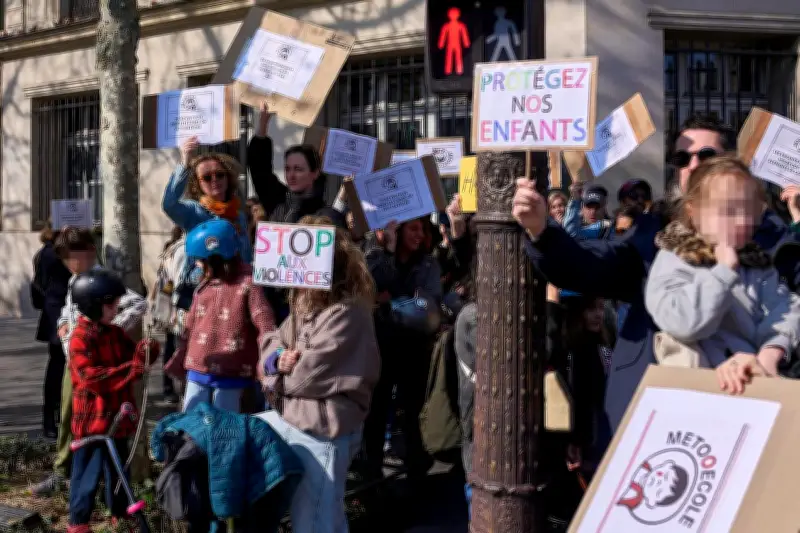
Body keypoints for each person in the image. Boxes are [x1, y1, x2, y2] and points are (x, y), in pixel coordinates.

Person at [511, 116, 800, 440]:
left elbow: (789, 308)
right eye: (682, 158)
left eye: (705, 157)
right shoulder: (654, 233)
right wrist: (540, 229)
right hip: (656, 415)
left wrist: (769, 355)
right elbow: (591, 266)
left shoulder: (766, 238)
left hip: (750, 411)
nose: (693, 165)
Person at [258, 215, 379, 533]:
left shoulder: (348, 313)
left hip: (325, 432)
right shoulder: (303, 304)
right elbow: (269, 345)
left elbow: (303, 377)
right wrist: (275, 362)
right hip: (295, 420)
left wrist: (279, 370)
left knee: (315, 521)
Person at [645, 156, 800, 393]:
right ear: (694, 212)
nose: (742, 221)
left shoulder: (756, 263)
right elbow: (684, 324)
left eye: (750, 210)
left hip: (754, 382)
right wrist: (723, 272)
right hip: (699, 392)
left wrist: (771, 352)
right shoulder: (675, 258)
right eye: (728, 211)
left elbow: (787, 308)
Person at [32, 227, 147, 496]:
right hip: (74, 358)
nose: (67, 264)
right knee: (67, 413)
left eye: (70, 257)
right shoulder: (76, 280)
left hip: (93, 362)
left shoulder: (100, 279)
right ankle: (64, 470)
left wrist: (108, 328)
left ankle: (78, 475)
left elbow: (138, 304)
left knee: (87, 418)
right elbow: (67, 310)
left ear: (86, 252)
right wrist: (62, 325)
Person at [66, 269, 159, 533]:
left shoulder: (114, 332)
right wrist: (130, 369)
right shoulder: (80, 338)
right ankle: (78, 522)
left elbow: (134, 358)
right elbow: (89, 377)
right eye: (111, 305)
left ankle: (119, 513)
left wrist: (146, 350)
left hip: (117, 420)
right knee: (87, 476)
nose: (116, 309)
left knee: (119, 473)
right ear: (92, 305)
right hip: (93, 424)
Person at [363, 217, 442, 490]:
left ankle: (416, 476)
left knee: (412, 412)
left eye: (423, 229)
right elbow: (371, 283)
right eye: (413, 229)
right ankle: (371, 475)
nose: (419, 235)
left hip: (414, 350)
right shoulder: (380, 256)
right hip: (382, 347)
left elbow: (427, 309)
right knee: (376, 411)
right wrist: (387, 249)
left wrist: (391, 302)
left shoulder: (428, 264)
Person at [246, 101, 345, 322]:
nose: (291, 175)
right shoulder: (277, 201)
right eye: (288, 169)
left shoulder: (327, 216)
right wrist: (263, 126)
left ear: (315, 173)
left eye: (299, 169)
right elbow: (259, 168)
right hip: (273, 304)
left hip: (312, 310)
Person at [164, 219, 276, 413]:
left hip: (233, 374)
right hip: (197, 370)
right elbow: (190, 329)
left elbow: (265, 323)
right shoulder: (203, 286)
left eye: (201, 261)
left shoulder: (248, 283)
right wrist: (179, 359)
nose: (198, 266)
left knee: (226, 431)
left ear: (216, 259)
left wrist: (268, 359)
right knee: (193, 427)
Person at [162, 138, 251, 263]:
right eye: (207, 177)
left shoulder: (239, 215)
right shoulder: (193, 211)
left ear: (228, 178)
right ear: (198, 184)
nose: (215, 180)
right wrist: (185, 163)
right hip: (201, 279)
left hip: (234, 279)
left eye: (220, 174)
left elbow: (246, 256)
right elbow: (169, 205)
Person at [32, 223, 72, 437]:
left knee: (57, 366)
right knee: (58, 367)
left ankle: (53, 418)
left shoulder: (46, 252)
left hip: (55, 312)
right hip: (58, 313)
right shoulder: (52, 253)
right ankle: (52, 418)